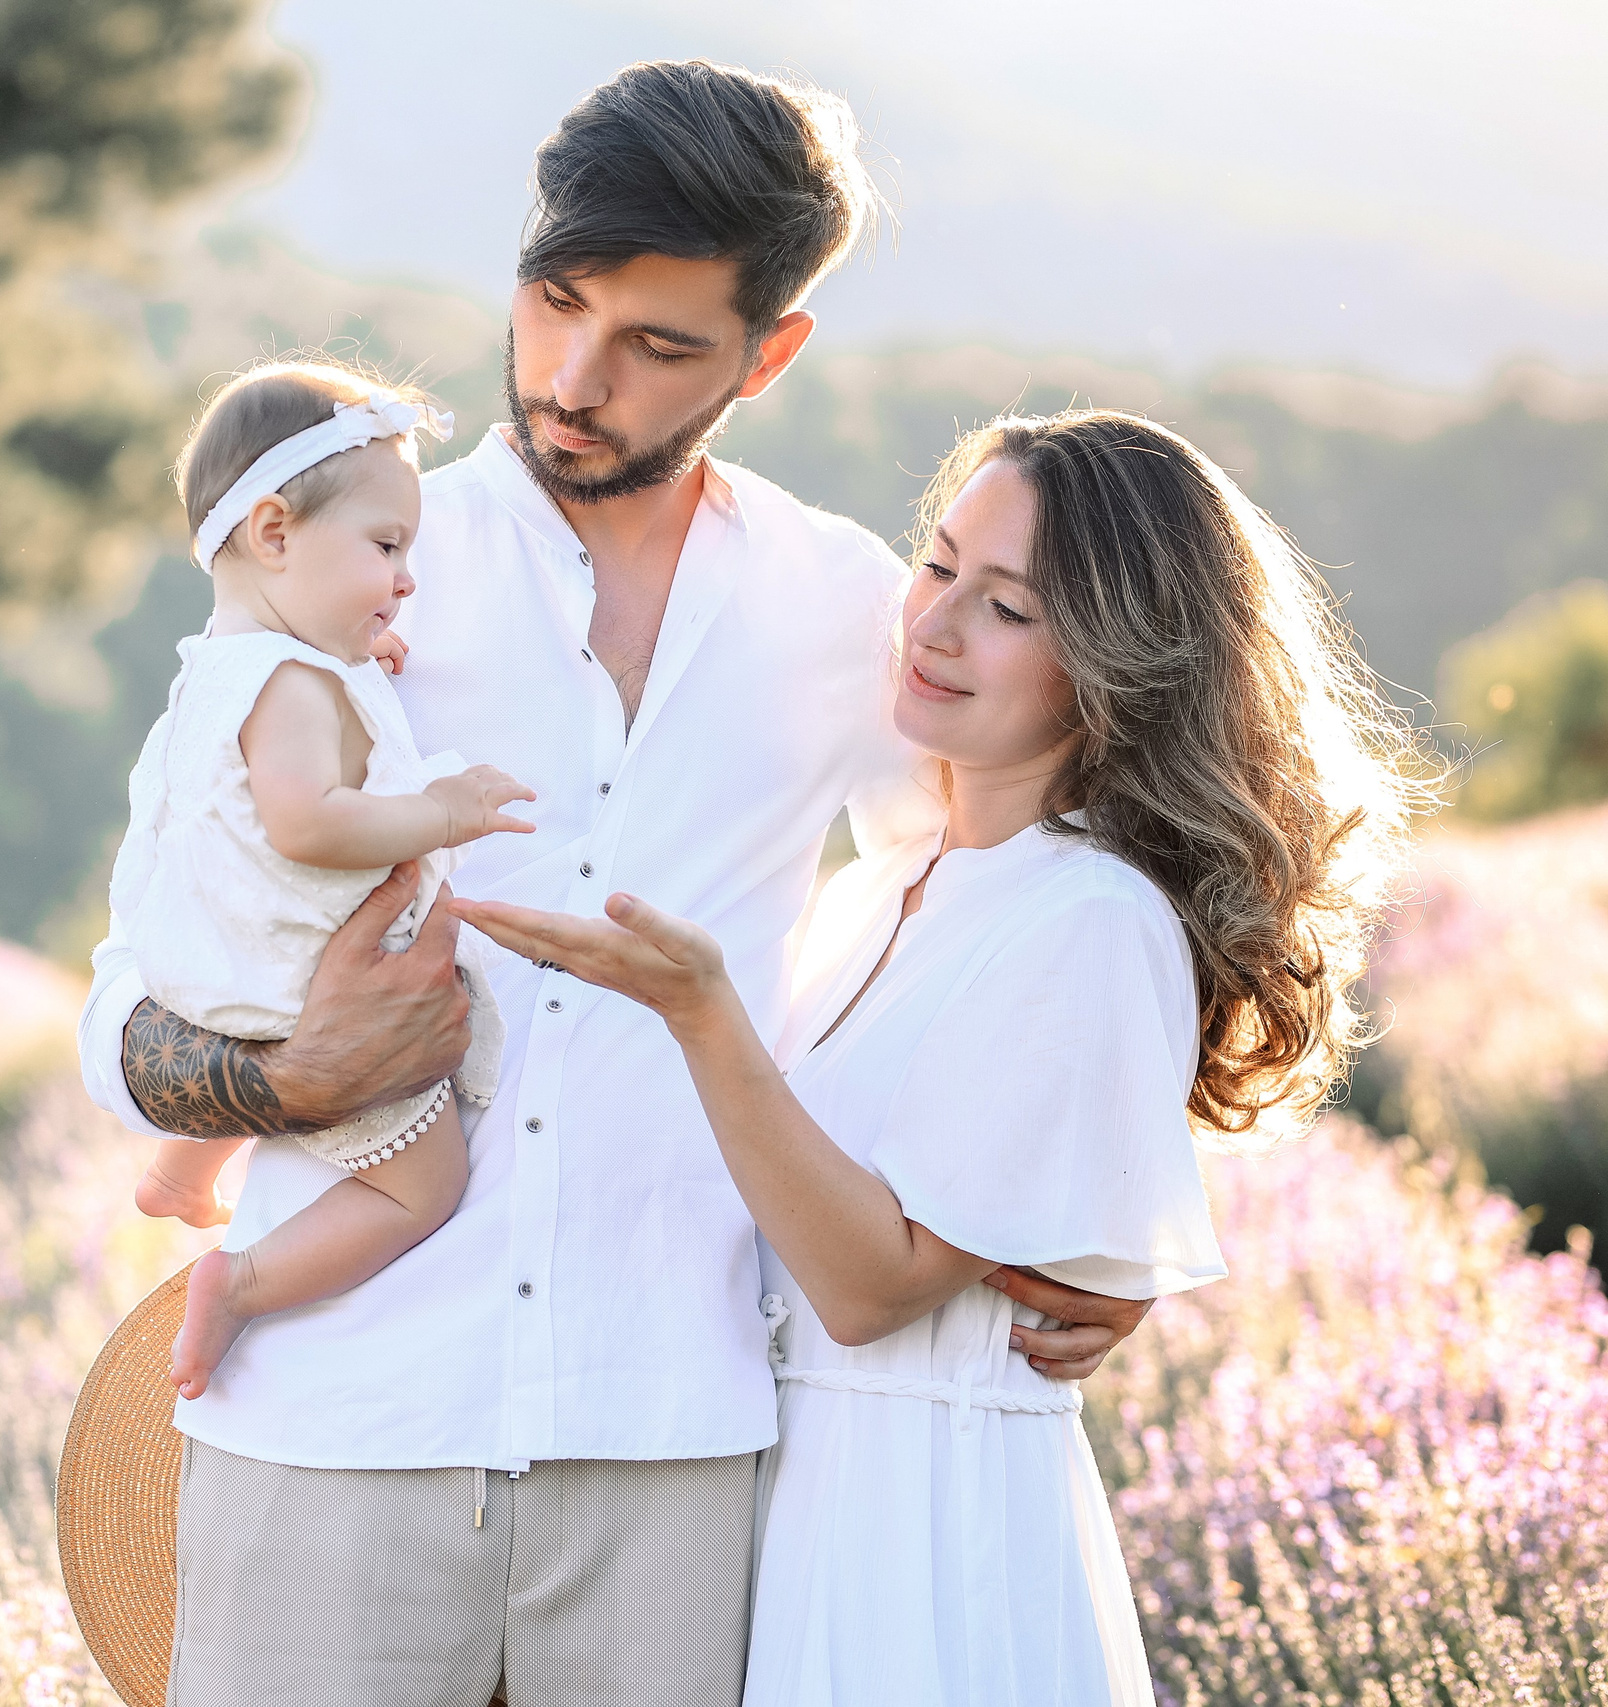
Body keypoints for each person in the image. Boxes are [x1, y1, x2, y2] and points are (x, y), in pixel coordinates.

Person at [79, 60, 1159, 1707]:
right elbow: (125, 998)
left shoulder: (843, 607)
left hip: (678, 1449)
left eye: (657, 344)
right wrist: (283, 1077)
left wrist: (1073, 1218)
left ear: (768, 353)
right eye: (556, 302)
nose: (573, 380)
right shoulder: (356, 576)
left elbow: (980, 930)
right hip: (334, 1420)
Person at [456, 408, 1425, 1705]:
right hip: (796, 1498)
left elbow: (871, 1287)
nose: (936, 623)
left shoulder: (1091, 915)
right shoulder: (888, 886)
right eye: (939, 565)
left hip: (924, 1533)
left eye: (1009, 606)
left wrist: (701, 1012)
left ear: (1116, 662)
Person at [117, 358, 533, 1399]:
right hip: (306, 991)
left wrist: (357, 664)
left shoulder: (223, 668)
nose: (406, 579)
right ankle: (243, 1283)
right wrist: (444, 811)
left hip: (216, 978)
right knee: (423, 1188)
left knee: (255, 1035)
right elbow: (306, 822)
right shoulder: (294, 683)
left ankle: (181, 1168)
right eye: (386, 547)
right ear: (273, 533)